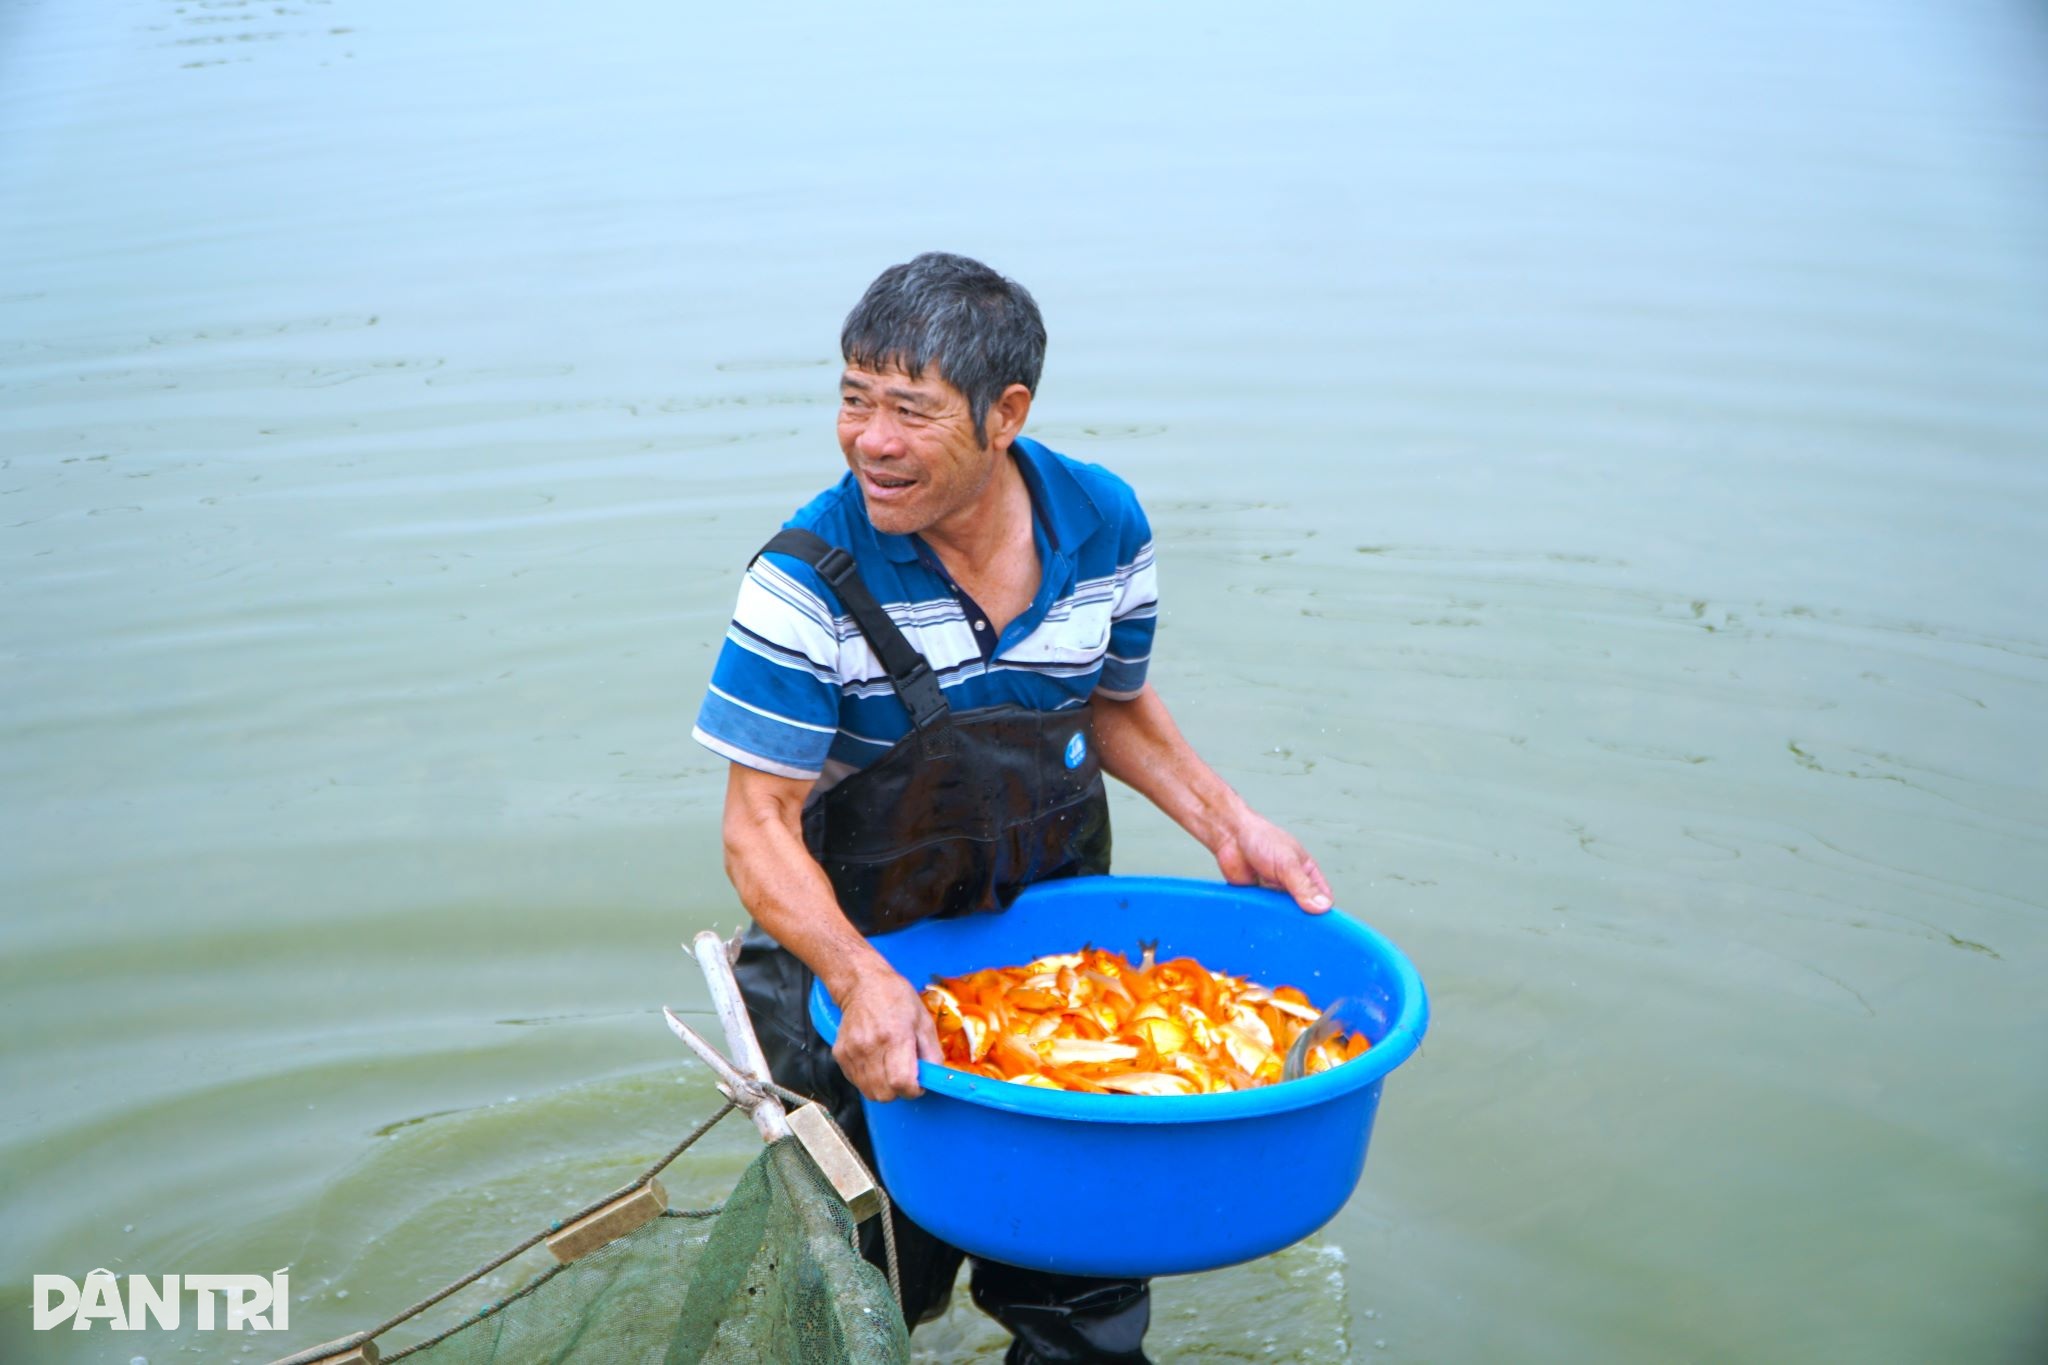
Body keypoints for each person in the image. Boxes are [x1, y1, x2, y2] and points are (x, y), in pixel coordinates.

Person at [693, 251, 1332, 1364]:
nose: (869, 440)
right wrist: (863, 981)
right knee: (860, 1296)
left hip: (1056, 990)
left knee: (1083, 1306)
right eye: (853, 399)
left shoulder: (1101, 525)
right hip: (852, 995)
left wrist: (1233, 828)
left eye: (908, 410)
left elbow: (1110, 707)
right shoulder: (801, 583)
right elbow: (758, 825)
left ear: (1006, 415)